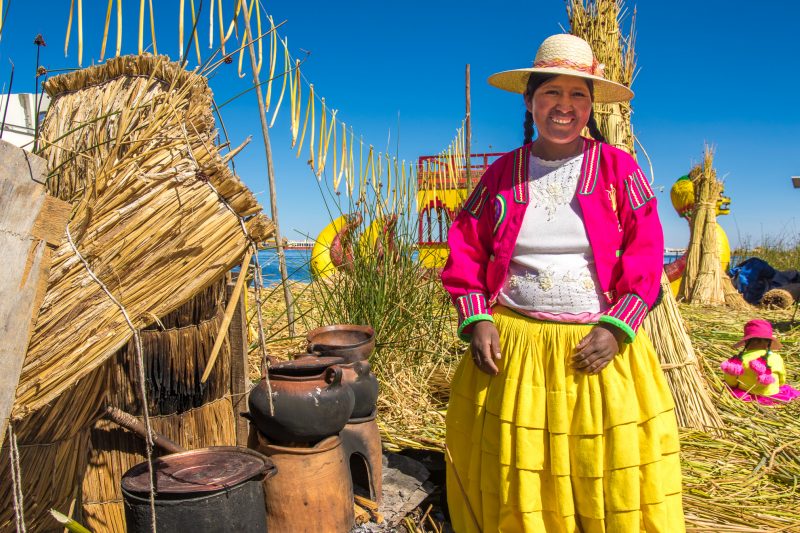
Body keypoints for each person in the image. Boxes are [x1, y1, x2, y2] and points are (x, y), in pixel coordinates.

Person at [441, 33, 684, 532]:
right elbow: (466, 246)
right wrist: (477, 318)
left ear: (591, 106)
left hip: (597, 347)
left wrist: (618, 329)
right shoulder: (501, 174)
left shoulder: (618, 169)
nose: (564, 106)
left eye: (578, 95)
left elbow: (646, 249)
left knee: (601, 469)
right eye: (552, 92)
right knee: (520, 468)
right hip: (515, 351)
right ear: (530, 101)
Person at [721, 318, 800, 405]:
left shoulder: (738, 361)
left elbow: (731, 382)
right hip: (773, 395)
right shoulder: (777, 358)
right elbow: (782, 380)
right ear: (769, 342)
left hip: (748, 395)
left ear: (746, 341)